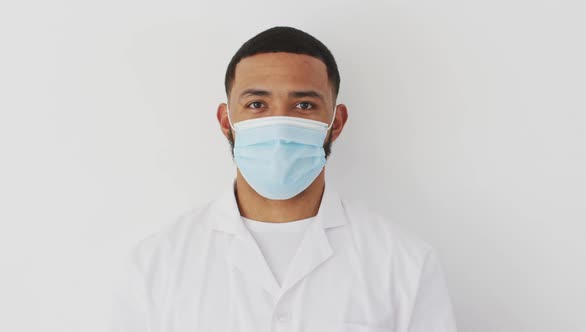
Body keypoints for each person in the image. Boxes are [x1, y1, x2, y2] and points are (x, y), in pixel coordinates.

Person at [109, 26, 458, 332]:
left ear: (335, 122)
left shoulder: (402, 264)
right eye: (257, 105)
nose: (279, 123)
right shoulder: (158, 265)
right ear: (226, 120)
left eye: (303, 105)